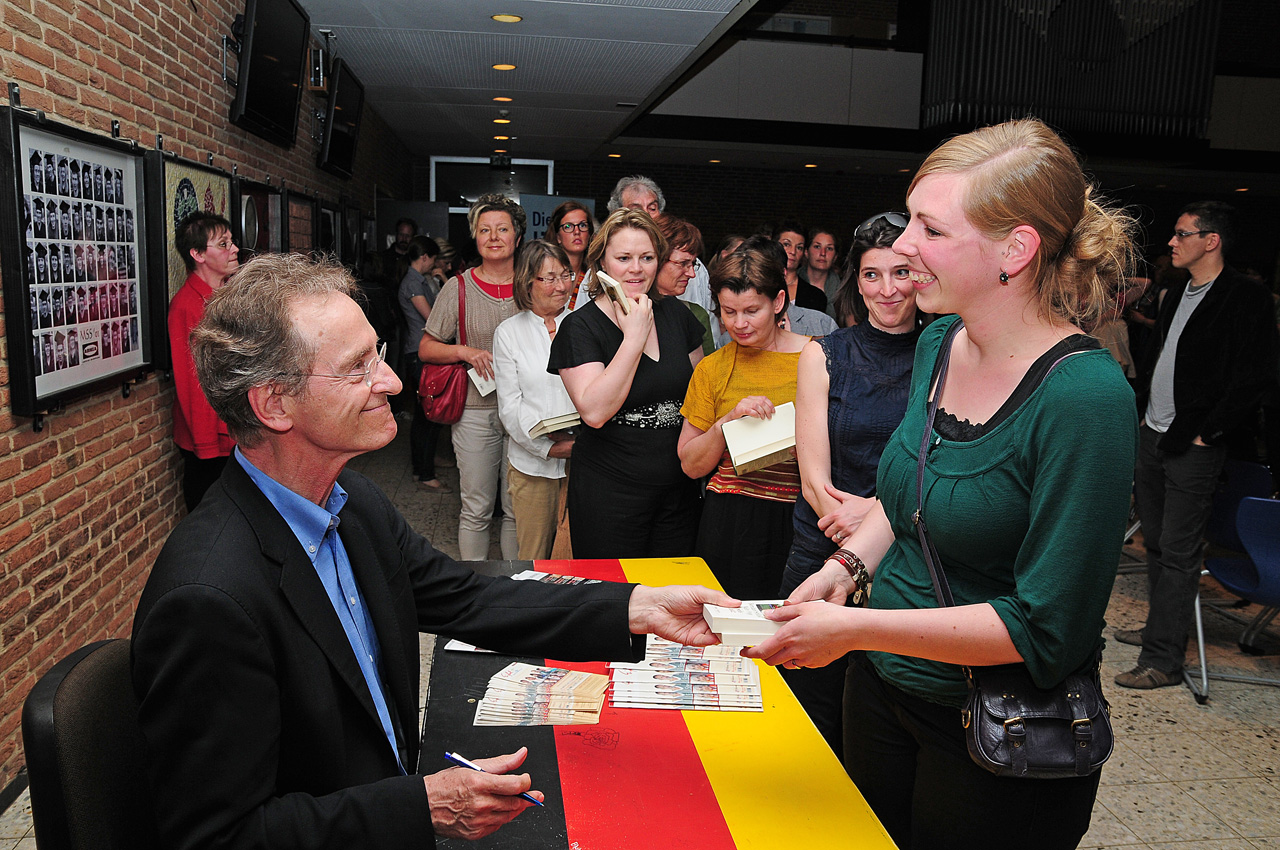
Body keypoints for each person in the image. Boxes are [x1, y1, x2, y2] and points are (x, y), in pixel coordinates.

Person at [130, 253, 735, 850]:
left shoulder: (353, 505)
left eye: (380, 356)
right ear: (273, 404)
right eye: (356, 368)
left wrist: (637, 608)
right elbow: (217, 837)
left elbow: (467, 597)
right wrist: (421, 806)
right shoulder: (210, 598)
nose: (391, 383)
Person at [744, 118, 1139, 849]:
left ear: (1013, 251)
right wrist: (843, 570)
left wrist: (854, 626)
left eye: (929, 228)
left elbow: (1043, 628)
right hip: (883, 693)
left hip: (997, 730)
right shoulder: (939, 342)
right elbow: (908, 498)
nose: (901, 248)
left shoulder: (1084, 397)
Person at [1117, 201, 1280, 688]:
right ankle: (1157, 630)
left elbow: (1256, 377)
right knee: (1157, 543)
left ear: (1212, 240)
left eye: (1183, 234)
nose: (1172, 242)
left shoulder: (1244, 297)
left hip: (1195, 442)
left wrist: (1211, 431)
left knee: (1182, 551)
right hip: (1155, 432)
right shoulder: (1174, 289)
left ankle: (1163, 660)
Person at [776, 212, 922, 753]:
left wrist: (878, 515)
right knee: (808, 708)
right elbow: (813, 472)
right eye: (871, 275)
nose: (886, 290)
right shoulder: (825, 352)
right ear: (853, 281)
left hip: (906, 552)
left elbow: (937, 457)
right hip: (820, 540)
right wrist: (852, 522)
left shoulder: (947, 353)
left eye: (900, 273)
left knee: (881, 718)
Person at [548, 208, 706, 558]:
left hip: (678, 489)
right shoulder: (581, 327)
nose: (636, 268)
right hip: (610, 493)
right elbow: (595, 411)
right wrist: (634, 338)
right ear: (602, 262)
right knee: (616, 600)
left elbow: (702, 396)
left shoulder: (678, 316)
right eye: (624, 258)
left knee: (675, 595)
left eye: (647, 257)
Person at [677, 243, 809, 599]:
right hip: (731, 518)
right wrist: (726, 423)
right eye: (728, 312)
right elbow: (690, 464)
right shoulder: (713, 368)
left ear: (778, 302)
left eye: (752, 310)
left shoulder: (817, 357)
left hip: (799, 516)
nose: (739, 324)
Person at [420, 194, 523, 559]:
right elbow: (427, 348)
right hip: (475, 410)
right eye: (484, 230)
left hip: (525, 413)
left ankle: (515, 586)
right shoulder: (458, 287)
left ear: (517, 236)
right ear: (475, 238)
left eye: (502, 229)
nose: (493, 236)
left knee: (516, 510)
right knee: (477, 507)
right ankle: (474, 593)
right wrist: (465, 351)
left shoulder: (532, 285)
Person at [494, 240, 577, 559]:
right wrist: (551, 448)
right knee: (536, 557)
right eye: (550, 277)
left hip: (584, 462)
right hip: (532, 465)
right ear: (528, 282)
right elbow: (510, 408)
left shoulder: (582, 323)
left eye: (565, 275)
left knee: (578, 556)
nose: (562, 286)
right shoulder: (509, 332)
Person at [169, 211, 239, 512]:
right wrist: (207, 445)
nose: (234, 249)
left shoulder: (223, 296)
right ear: (197, 254)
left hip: (234, 431)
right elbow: (192, 383)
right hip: (210, 444)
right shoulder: (186, 306)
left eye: (231, 241)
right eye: (223, 244)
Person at [398, 236, 448, 492]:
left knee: (423, 415)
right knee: (429, 415)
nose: (435, 264)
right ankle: (425, 472)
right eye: (433, 259)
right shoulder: (413, 284)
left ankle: (423, 465)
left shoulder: (417, 281)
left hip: (419, 352)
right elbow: (432, 319)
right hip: (419, 353)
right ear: (425, 257)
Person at [656, 214, 716, 355]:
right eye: (683, 263)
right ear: (656, 259)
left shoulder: (696, 314)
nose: (691, 274)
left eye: (693, 264)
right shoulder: (625, 311)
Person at [547, 200, 595, 309]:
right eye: (568, 226)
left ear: (589, 234)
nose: (577, 231)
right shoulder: (545, 273)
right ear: (558, 237)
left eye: (582, 225)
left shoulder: (595, 274)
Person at [774, 219, 827, 311]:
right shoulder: (758, 286)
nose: (793, 251)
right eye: (786, 244)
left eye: (799, 247)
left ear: (804, 253)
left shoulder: (815, 296)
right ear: (774, 246)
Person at [803, 225, 840, 311]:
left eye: (829, 248)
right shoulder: (792, 285)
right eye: (817, 247)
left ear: (835, 257)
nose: (823, 253)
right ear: (806, 252)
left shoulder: (843, 291)